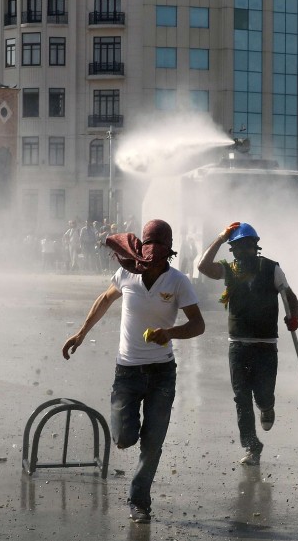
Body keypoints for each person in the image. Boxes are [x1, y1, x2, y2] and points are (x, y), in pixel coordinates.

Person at [61, 219, 204, 525]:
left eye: (157, 260)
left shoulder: (179, 282)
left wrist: (171, 334)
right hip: (126, 371)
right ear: (141, 252)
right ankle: (132, 433)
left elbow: (198, 324)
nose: (150, 266)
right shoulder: (127, 272)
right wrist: (81, 333)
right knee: (125, 437)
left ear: (167, 255)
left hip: (162, 373)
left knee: (153, 442)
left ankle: (139, 501)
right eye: (147, 258)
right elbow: (104, 300)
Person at [197, 222, 298, 466]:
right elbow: (202, 266)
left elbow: (289, 296)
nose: (242, 251)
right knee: (241, 398)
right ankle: (252, 447)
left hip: (265, 345)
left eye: (246, 246)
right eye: (237, 247)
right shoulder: (229, 269)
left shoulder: (271, 268)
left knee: (262, 395)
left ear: (256, 246)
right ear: (232, 250)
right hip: (238, 345)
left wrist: (293, 317)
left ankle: (267, 406)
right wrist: (221, 238)